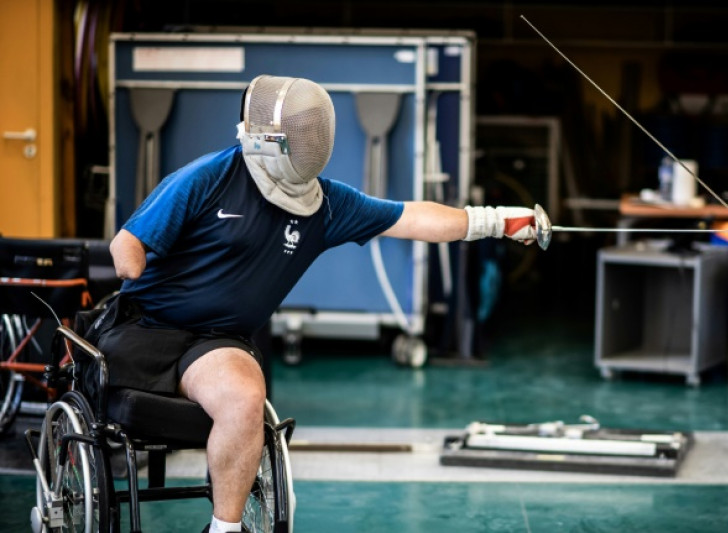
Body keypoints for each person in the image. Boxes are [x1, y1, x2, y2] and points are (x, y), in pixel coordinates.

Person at [101, 74, 539, 533]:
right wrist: (133, 263)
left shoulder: (326, 205)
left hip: (215, 343)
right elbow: (125, 245)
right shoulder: (208, 176)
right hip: (146, 327)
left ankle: (224, 530)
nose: (309, 140)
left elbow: (410, 217)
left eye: (313, 131)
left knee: (246, 398)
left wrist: (497, 222)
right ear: (265, 135)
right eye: (300, 131)